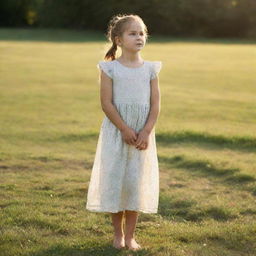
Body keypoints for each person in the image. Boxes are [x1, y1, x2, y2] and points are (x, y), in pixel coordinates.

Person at [86, 13, 162, 251]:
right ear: (118, 40)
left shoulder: (150, 69)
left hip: (142, 135)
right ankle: (117, 235)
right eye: (133, 33)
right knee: (116, 180)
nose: (139, 37)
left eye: (142, 33)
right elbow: (106, 103)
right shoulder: (110, 69)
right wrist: (124, 128)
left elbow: (156, 104)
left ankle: (131, 237)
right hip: (118, 133)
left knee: (135, 184)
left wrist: (146, 131)